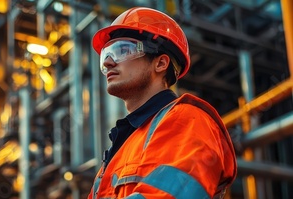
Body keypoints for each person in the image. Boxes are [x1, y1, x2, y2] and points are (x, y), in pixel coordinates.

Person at [88, 7, 237, 199]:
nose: (108, 62)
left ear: (160, 63)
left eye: (122, 50)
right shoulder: (122, 146)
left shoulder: (188, 120)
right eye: (106, 55)